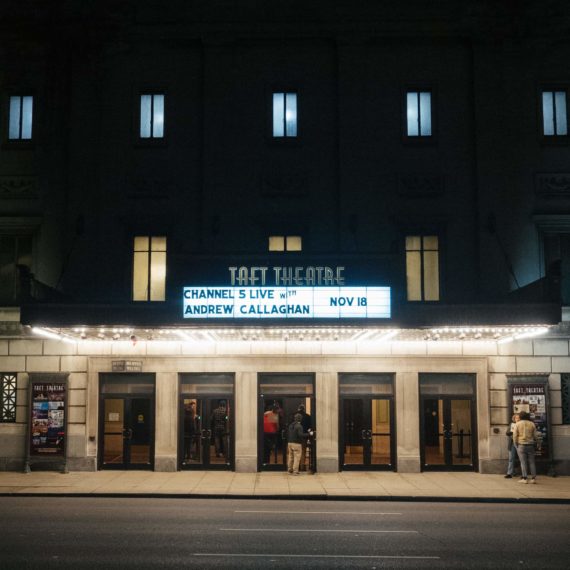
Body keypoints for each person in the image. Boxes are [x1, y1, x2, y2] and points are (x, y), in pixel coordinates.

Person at [513, 411, 537, 484]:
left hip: (521, 444)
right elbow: (535, 435)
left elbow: (515, 435)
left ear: (520, 417)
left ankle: (525, 478)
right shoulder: (532, 424)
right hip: (530, 444)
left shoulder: (517, 424)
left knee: (523, 462)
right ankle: (533, 478)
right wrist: (536, 442)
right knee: (532, 462)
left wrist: (515, 444)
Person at [297, 404, 312, 471]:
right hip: (304, 436)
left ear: (298, 409)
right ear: (304, 409)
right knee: (303, 451)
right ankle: (302, 466)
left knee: (297, 452)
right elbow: (310, 426)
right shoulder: (307, 416)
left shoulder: (295, 416)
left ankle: (296, 466)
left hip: (296, 437)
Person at [504, 413, 520, 478]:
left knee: (521, 459)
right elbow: (507, 433)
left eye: (519, 418)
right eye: (516, 418)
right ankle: (510, 473)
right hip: (512, 443)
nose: (517, 419)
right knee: (511, 458)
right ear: (514, 419)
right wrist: (512, 431)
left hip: (520, 443)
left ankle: (521, 474)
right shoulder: (512, 424)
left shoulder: (522, 424)